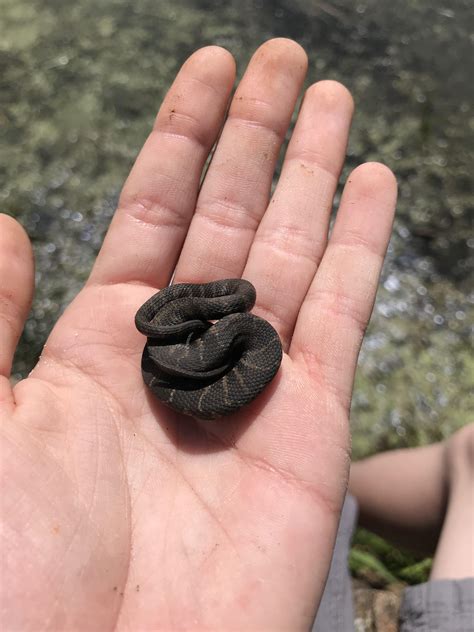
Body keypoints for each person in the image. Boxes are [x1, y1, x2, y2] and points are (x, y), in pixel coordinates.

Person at [0, 38, 470, 630]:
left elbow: (204, 317)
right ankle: (355, 504)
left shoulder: (203, 327)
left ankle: (355, 501)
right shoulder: (191, 331)